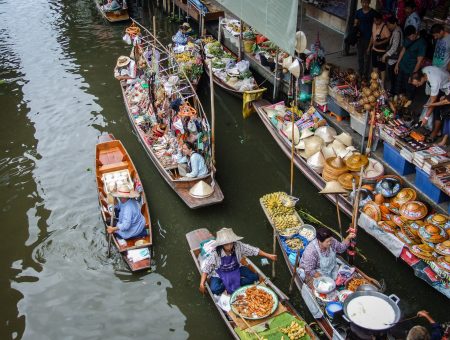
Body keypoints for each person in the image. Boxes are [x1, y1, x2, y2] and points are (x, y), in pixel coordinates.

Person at [199, 228, 277, 295]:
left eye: (231, 243)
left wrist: (269, 255)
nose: (229, 246)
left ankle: (235, 281)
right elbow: (206, 268)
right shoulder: (215, 253)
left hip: (236, 268)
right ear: (221, 244)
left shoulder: (238, 246)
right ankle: (231, 283)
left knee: (254, 277)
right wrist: (202, 284)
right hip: (220, 273)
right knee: (215, 290)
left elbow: (253, 250)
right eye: (226, 244)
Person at [411, 66, 450, 140]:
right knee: (433, 106)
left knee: (439, 112)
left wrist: (426, 117)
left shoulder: (434, 82)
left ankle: (435, 134)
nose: (416, 86)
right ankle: (432, 129)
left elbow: (432, 102)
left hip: (447, 86)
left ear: (422, 78)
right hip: (442, 82)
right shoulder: (424, 70)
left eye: (417, 83)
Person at [395, 25, 426, 100]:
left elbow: (419, 61)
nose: (410, 39)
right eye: (409, 37)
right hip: (402, 66)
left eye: (412, 36)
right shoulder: (408, 38)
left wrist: (412, 76)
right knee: (399, 85)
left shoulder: (422, 43)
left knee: (409, 88)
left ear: (416, 32)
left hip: (411, 70)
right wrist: (397, 64)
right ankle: (397, 101)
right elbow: (403, 50)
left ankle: (407, 105)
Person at [353, 0, 376, 80]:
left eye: (366, 2)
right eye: (363, 2)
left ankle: (365, 75)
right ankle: (360, 73)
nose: (364, 4)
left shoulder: (373, 13)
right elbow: (355, 24)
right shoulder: (358, 12)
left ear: (369, 2)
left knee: (367, 57)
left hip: (369, 38)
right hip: (360, 38)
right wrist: (355, 32)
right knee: (360, 57)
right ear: (361, 2)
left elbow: (375, 26)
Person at [382, 16, 403, 94]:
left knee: (393, 77)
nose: (388, 27)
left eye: (389, 25)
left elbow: (394, 47)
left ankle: (393, 92)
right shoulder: (397, 30)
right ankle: (393, 91)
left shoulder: (397, 32)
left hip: (394, 59)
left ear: (394, 23)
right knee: (393, 77)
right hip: (393, 58)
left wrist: (386, 55)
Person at [368, 12, 391, 83]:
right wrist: (369, 47)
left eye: (377, 20)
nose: (375, 22)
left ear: (381, 20)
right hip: (374, 49)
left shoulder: (385, 27)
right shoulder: (374, 25)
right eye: (374, 20)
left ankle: (382, 83)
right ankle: (375, 80)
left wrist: (379, 43)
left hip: (381, 51)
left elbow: (388, 38)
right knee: (374, 65)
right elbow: (372, 36)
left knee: (382, 67)